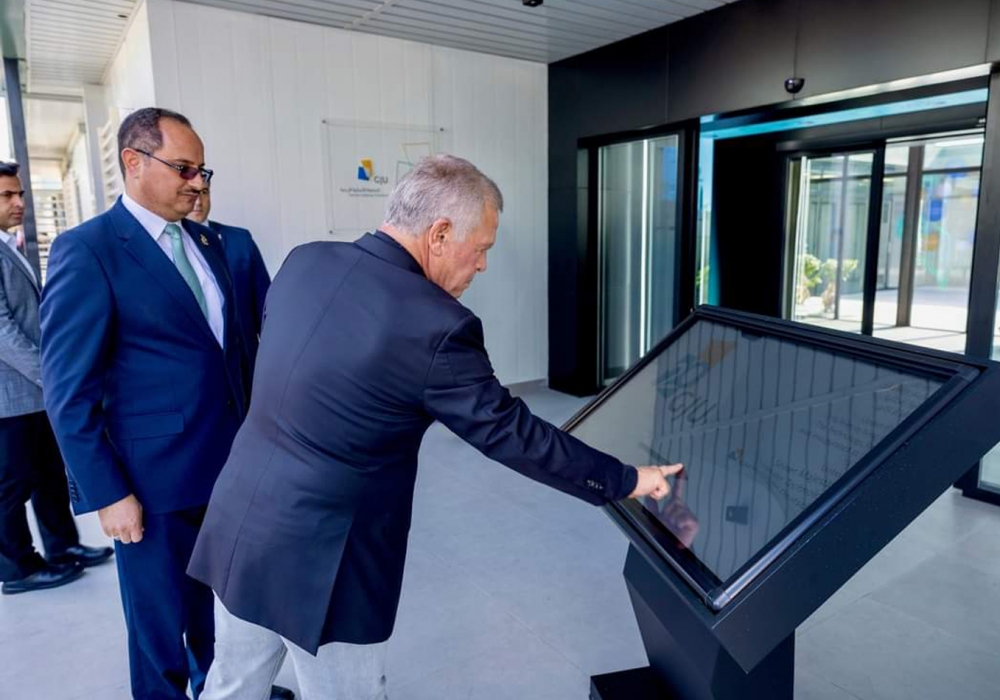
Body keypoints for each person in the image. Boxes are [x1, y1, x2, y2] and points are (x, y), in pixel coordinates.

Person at [188, 154, 682, 699]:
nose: (483, 265)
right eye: (483, 248)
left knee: (232, 684)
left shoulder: (306, 261)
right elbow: (514, 435)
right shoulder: (436, 325)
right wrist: (626, 479)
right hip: (324, 561)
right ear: (440, 234)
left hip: (242, 520)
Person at [39, 108, 291, 700]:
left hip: (229, 470)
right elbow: (67, 392)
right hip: (150, 486)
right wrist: (107, 493)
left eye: (202, 170)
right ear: (133, 162)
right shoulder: (89, 250)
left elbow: (235, 354)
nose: (197, 182)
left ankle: (217, 686)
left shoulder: (209, 242)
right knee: (158, 626)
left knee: (219, 605)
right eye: (183, 168)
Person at [0, 161, 112, 595]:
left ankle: (63, 547)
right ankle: (18, 569)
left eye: (20, 194)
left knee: (49, 474)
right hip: (11, 396)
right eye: (7, 195)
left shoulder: (10, 245)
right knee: (11, 485)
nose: (19, 203)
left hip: (35, 393)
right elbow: (3, 331)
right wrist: (52, 374)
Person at [187, 187, 270, 380]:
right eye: (192, 194)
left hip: (246, 367)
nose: (198, 201)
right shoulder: (168, 245)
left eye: (204, 193)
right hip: (197, 372)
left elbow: (266, 308)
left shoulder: (239, 240)